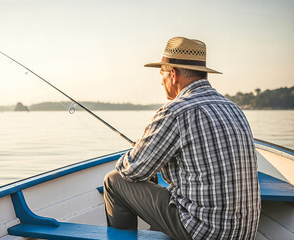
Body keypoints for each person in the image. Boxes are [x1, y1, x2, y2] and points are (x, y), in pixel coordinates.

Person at [103, 37, 261, 240]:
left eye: (162, 73)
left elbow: (131, 170)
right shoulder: (233, 108)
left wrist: (139, 151)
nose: (161, 81)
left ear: (173, 74)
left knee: (113, 181)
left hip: (206, 233)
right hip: (244, 232)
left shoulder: (175, 111)